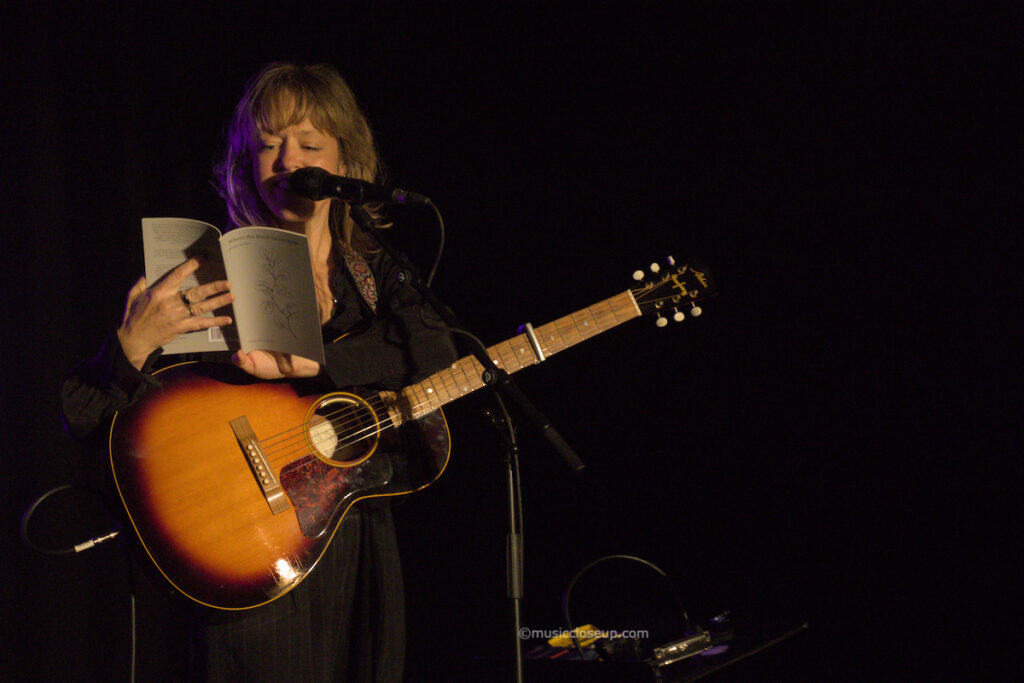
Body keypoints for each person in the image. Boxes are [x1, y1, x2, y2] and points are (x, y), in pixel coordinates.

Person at [60, 62, 456, 682]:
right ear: (246, 165)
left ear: (344, 163)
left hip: (356, 546)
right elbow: (83, 415)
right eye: (268, 145)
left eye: (308, 143)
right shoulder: (205, 276)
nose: (286, 160)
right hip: (249, 547)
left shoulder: (377, 281)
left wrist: (320, 364)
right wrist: (131, 347)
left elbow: (440, 358)